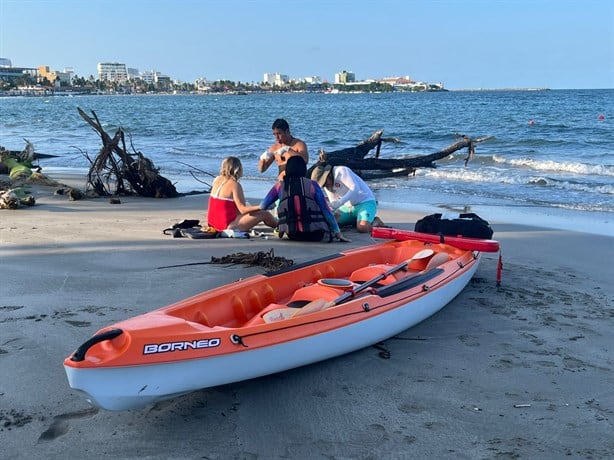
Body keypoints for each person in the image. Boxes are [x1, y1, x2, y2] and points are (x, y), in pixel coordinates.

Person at [259, 156, 349, 242]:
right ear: (304, 170)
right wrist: (338, 232)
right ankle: (335, 232)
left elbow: (263, 206)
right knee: (337, 214)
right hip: (315, 235)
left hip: (292, 234)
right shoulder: (313, 185)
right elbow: (326, 211)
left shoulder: (279, 186)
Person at [207, 156, 278, 233]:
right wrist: (262, 206)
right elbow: (242, 209)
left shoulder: (217, 179)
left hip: (212, 224)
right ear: (238, 169)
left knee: (242, 206)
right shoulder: (235, 185)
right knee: (265, 214)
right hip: (227, 226)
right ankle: (280, 226)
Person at [311, 163, 386, 234]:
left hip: (365, 202)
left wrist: (341, 202)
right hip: (347, 207)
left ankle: (376, 222)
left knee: (362, 228)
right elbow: (334, 203)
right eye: (323, 185)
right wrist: (332, 210)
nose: (326, 185)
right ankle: (357, 220)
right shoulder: (327, 186)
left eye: (325, 181)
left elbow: (355, 188)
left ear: (328, 175)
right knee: (330, 223)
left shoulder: (341, 171)